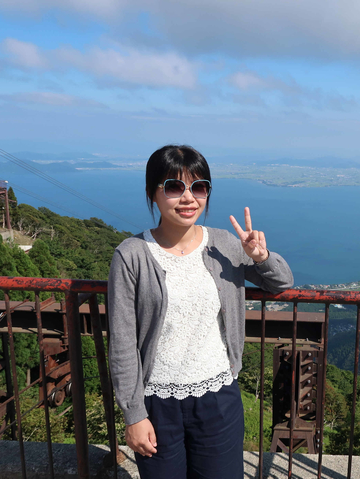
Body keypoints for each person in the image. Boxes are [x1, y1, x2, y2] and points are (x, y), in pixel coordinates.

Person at [107, 145, 293, 479]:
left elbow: (281, 284)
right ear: (153, 192)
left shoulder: (224, 244)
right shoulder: (131, 255)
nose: (188, 197)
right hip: (156, 402)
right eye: (174, 187)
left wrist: (261, 255)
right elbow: (122, 343)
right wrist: (133, 415)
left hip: (218, 397)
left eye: (199, 186)